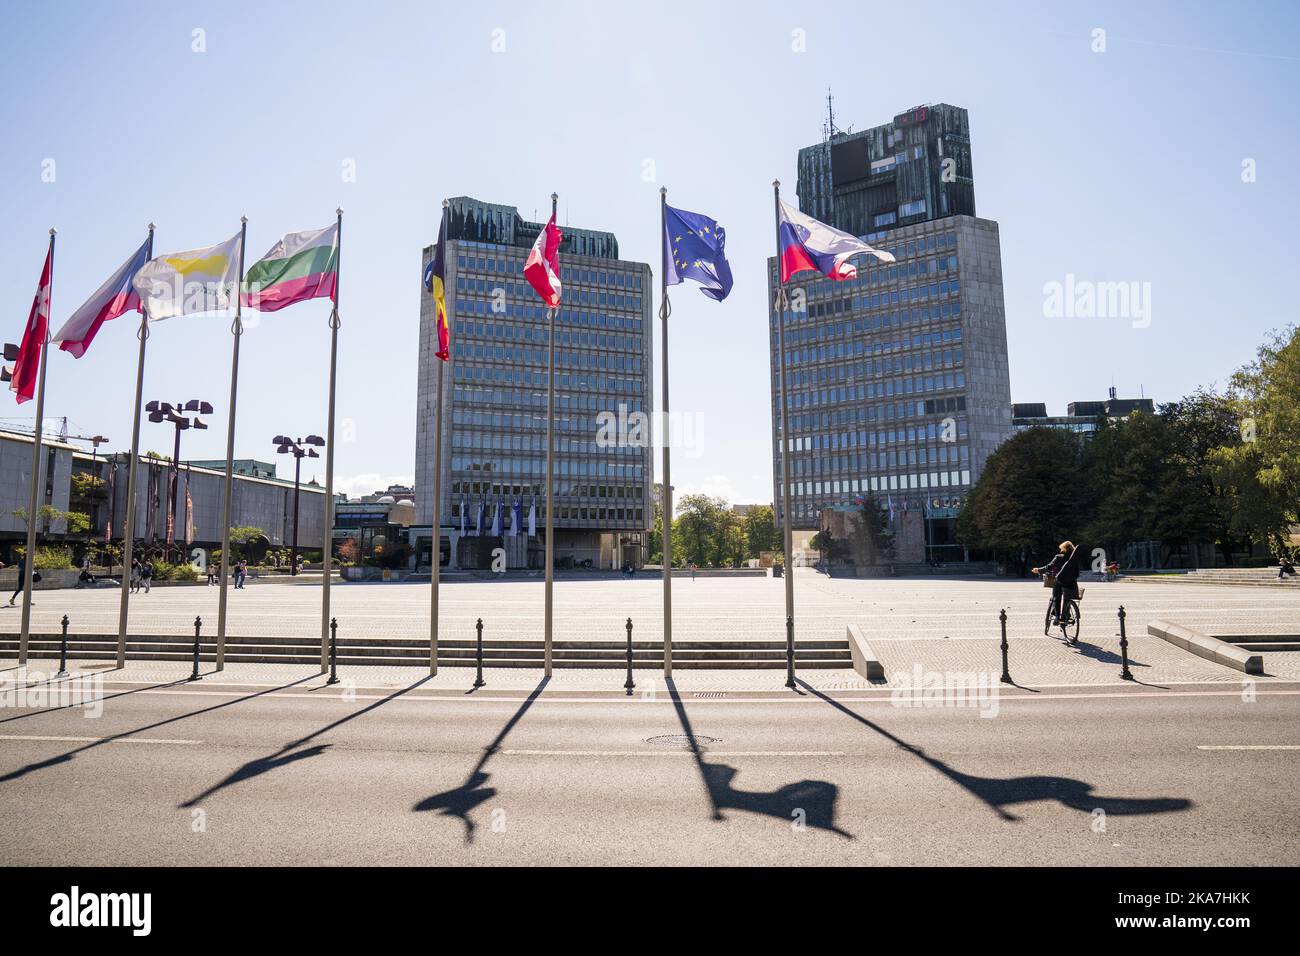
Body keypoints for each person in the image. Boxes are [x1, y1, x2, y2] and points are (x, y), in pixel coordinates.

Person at [1032, 540, 1080, 627]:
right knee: (1067, 598)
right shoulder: (1074, 559)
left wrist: (1038, 570)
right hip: (1071, 582)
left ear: (1063, 548)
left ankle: (1057, 617)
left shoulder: (1059, 557)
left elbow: (1049, 567)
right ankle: (1066, 615)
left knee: (1056, 597)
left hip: (1059, 581)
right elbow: (1077, 572)